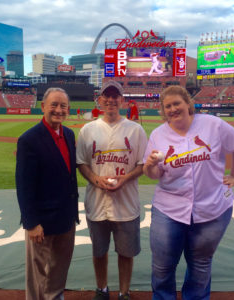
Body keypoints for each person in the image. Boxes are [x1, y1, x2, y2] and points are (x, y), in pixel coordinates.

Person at [143, 85, 234, 300]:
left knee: (200, 265)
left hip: (212, 208)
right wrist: (150, 163)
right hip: (169, 208)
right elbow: (152, 174)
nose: (173, 109)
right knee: (162, 267)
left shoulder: (212, 124)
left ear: (187, 104)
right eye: (168, 106)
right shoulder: (158, 135)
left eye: (177, 103)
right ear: (163, 110)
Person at [76, 80, 148, 300]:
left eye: (115, 96)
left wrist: (125, 179)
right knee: (99, 251)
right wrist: (96, 179)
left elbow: (143, 164)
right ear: (99, 100)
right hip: (96, 202)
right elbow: (81, 163)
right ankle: (102, 289)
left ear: (122, 100)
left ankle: (124, 292)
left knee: (126, 253)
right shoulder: (87, 130)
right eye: (106, 96)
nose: (110, 100)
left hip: (126, 203)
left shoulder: (136, 130)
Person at [16, 87, 79, 300]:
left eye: (63, 106)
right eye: (54, 105)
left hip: (66, 217)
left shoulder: (69, 134)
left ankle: (55, 296)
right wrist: (31, 223)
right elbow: (24, 185)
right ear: (43, 107)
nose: (58, 110)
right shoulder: (29, 140)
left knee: (59, 267)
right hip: (41, 222)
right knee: (37, 272)